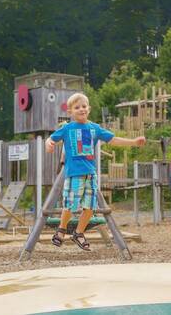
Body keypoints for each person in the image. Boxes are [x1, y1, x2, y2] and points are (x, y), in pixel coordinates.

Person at [46, 93, 146, 251]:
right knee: (70, 204)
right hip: (74, 173)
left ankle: (79, 233)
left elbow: (113, 140)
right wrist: (49, 144)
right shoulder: (67, 128)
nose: (81, 109)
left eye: (84, 106)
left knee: (90, 206)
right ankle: (62, 229)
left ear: (89, 109)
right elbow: (51, 139)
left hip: (90, 173)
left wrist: (133, 142)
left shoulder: (94, 128)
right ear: (70, 112)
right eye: (77, 107)